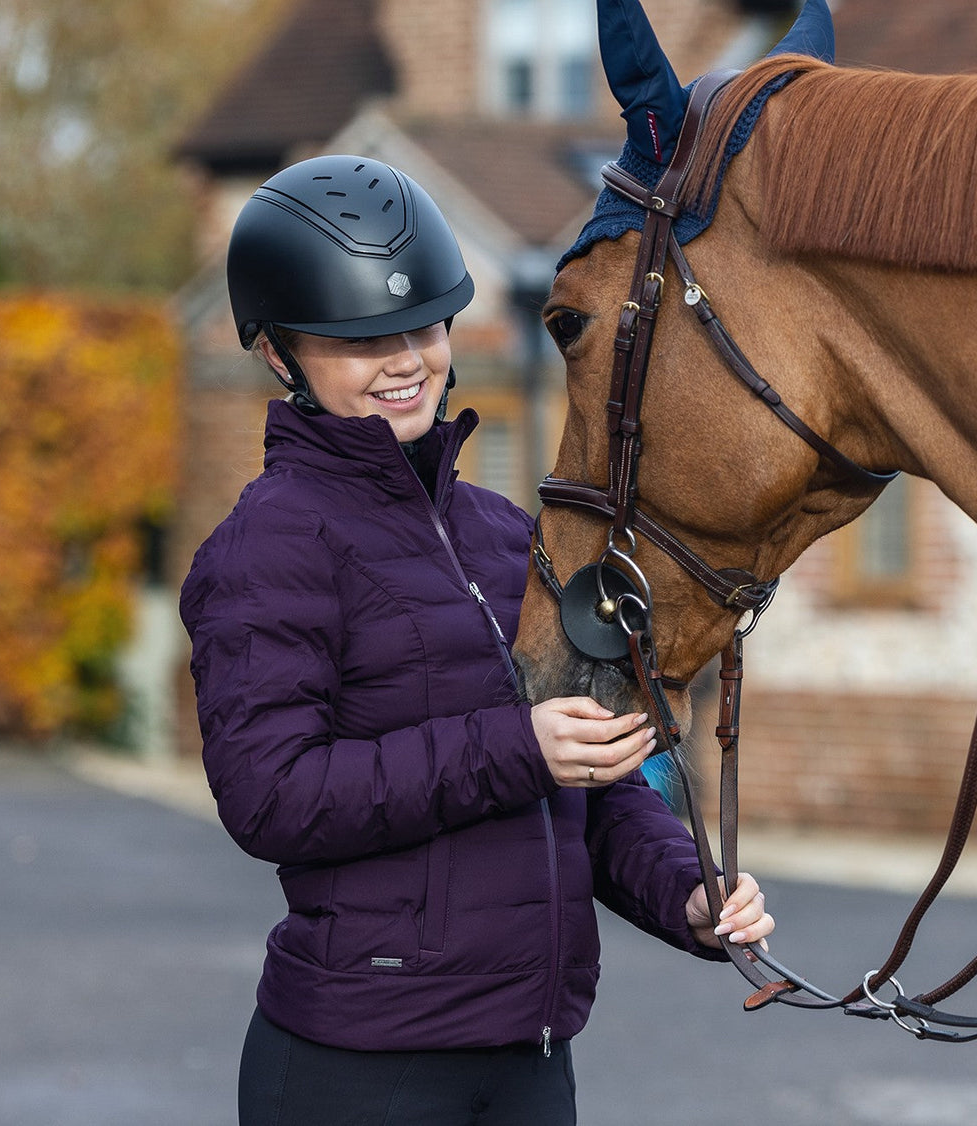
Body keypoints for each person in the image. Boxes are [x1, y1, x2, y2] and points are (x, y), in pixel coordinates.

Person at [179, 154, 774, 1126]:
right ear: (280, 354)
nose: (405, 359)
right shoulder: (267, 547)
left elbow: (589, 777)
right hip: (360, 1070)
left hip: (528, 1058)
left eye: (423, 325)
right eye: (360, 339)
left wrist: (686, 895)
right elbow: (271, 796)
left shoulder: (505, 534)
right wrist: (516, 747)